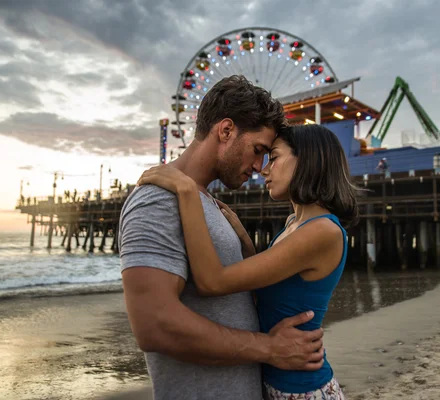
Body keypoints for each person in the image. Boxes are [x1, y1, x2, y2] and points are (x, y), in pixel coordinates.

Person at [120, 75, 325, 400]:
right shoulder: (158, 199)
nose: (259, 166)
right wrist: (268, 349)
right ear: (226, 131)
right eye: (258, 150)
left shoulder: (206, 203)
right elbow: (154, 324)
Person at [138, 123, 359, 399]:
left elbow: (212, 281)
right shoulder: (294, 224)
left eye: (274, 157)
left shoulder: (322, 231)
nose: (264, 169)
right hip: (279, 386)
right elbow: (270, 292)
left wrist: (187, 191)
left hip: (304, 391)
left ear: (308, 160)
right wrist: (245, 243)